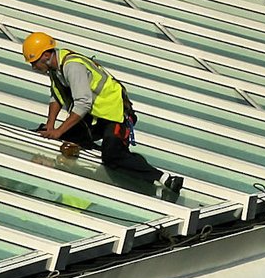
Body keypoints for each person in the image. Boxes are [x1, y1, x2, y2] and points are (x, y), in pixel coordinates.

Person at [21, 31, 184, 200]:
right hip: (95, 117)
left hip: (116, 115)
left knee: (112, 154)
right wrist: (50, 125)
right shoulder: (56, 70)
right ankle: (110, 157)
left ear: (46, 55)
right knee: (52, 134)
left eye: (34, 62)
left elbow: (83, 103)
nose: (34, 67)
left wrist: (58, 130)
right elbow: (56, 96)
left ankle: (163, 179)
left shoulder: (72, 66)